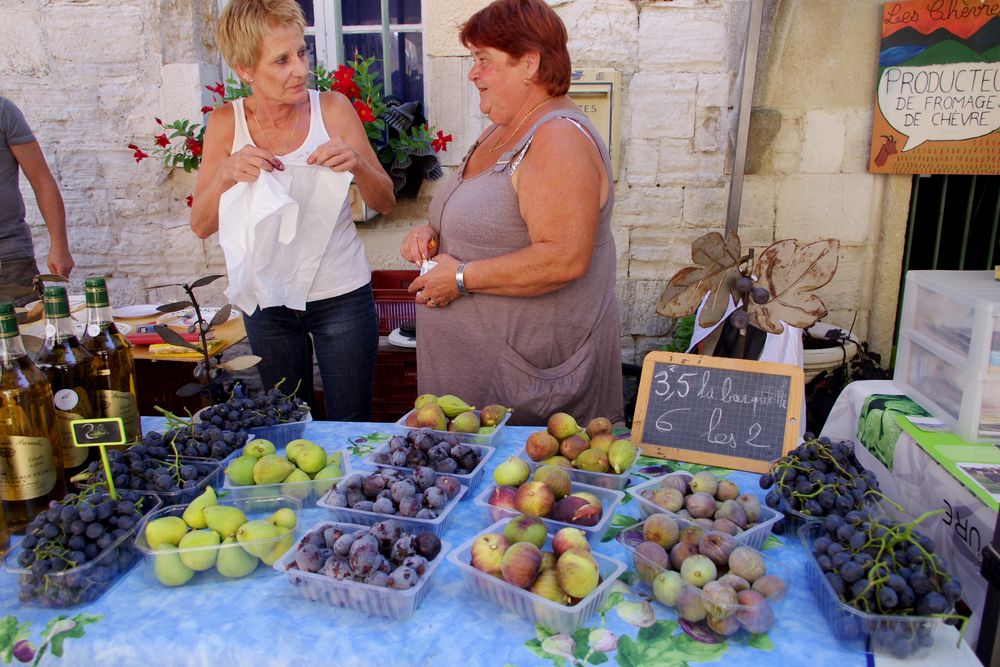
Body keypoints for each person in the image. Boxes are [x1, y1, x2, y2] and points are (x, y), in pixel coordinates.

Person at [400, 0, 622, 425]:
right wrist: (433, 230)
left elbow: (563, 258)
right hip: (478, 380)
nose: (472, 72)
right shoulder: (505, 128)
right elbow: (493, 217)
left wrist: (461, 277)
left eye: (484, 59)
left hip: (525, 388)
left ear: (530, 64)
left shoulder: (557, 138)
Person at [191, 0, 395, 420]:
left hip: (340, 293)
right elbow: (201, 224)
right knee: (288, 425)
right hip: (266, 299)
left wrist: (357, 165)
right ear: (246, 69)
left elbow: (385, 202)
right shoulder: (226, 124)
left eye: (302, 53)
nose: (300, 69)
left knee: (350, 424)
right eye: (281, 60)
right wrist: (228, 173)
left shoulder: (333, 108)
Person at [0, 97, 74, 302]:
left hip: (8, 263)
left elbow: (42, 181)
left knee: (26, 332)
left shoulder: (3, 111)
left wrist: (59, 246)